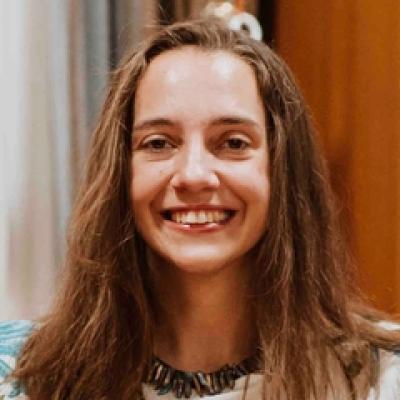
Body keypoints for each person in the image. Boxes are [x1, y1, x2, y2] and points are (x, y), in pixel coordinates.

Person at [1, 18, 399, 400]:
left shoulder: (381, 380)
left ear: (283, 169)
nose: (193, 175)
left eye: (233, 143)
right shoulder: (21, 377)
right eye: (159, 143)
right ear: (120, 171)